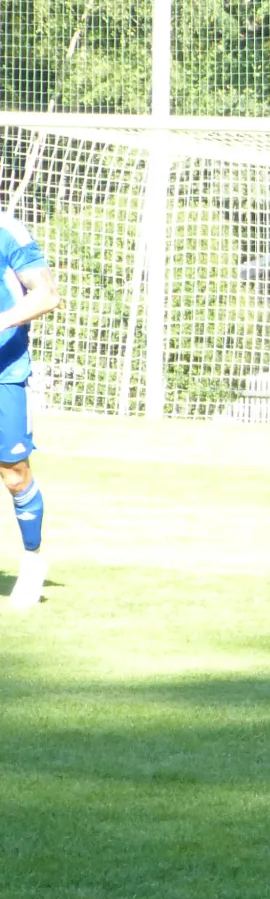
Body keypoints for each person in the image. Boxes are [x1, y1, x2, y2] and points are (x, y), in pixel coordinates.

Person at [0, 206, 60, 609]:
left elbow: (47, 294)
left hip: (4, 371)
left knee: (14, 474)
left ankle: (33, 558)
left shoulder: (9, 231)